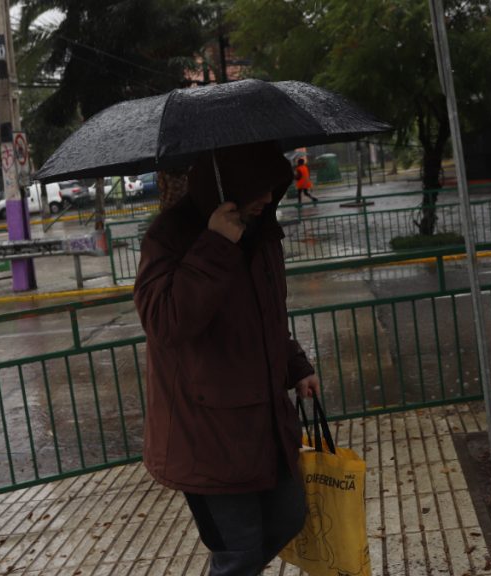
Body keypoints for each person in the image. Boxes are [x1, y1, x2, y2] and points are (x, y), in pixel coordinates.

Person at [134, 141, 321, 576]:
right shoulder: (170, 235)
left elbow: (267, 317)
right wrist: (215, 243)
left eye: (273, 188)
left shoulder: (263, 230)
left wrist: (296, 365)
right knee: (238, 553)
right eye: (258, 188)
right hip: (206, 434)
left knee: (288, 517)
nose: (266, 198)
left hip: (264, 423)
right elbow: (164, 322)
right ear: (227, 183)